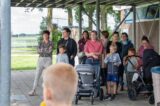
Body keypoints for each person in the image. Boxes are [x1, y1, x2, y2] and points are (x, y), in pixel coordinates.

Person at [29, 30, 53, 96]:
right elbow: (38, 51)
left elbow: (49, 51)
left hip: (48, 60)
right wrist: (44, 50)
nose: (45, 36)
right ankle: (33, 90)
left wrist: (42, 50)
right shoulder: (40, 43)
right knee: (37, 75)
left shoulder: (51, 43)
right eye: (44, 35)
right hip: (40, 60)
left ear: (48, 35)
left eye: (46, 35)